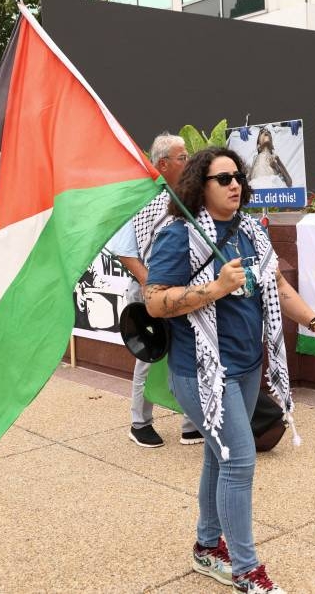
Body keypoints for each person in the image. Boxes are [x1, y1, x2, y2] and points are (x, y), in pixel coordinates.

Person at [144, 146, 315, 593]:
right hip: (201, 370)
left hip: (248, 364)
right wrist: (215, 288)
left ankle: (206, 546)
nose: (235, 184)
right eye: (222, 178)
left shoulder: (250, 229)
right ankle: (247, 570)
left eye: (237, 176)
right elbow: (155, 301)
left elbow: (277, 284)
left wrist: (314, 321)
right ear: (200, 186)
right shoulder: (180, 234)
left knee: (222, 455)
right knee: (240, 460)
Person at [107, 133, 202, 448]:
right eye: (182, 157)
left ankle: (191, 424)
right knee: (149, 355)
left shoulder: (187, 196)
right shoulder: (141, 197)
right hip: (151, 292)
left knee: (189, 353)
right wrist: (151, 284)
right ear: (162, 163)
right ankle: (139, 423)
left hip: (185, 292)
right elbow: (124, 250)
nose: (187, 161)